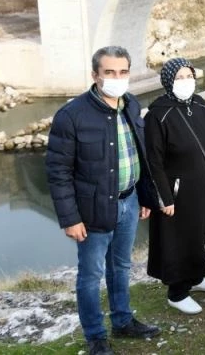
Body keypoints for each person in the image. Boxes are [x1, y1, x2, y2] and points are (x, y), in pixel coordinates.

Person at [46, 46, 160, 355]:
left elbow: (140, 154)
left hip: (130, 200)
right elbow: (58, 172)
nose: (116, 78)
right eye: (109, 72)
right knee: (90, 275)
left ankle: (122, 321)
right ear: (95, 75)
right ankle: (96, 336)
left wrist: (144, 196)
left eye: (123, 72)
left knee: (121, 266)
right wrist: (70, 218)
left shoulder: (131, 104)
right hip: (92, 209)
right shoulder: (72, 116)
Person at [144, 58, 205, 315]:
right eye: (179, 77)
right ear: (168, 81)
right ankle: (177, 293)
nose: (185, 82)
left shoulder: (199, 104)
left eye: (189, 76)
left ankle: (196, 277)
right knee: (178, 239)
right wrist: (164, 197)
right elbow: (154, 161)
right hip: (176, 191)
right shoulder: (158, 114)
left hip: (202, 184)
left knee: (198, 233)